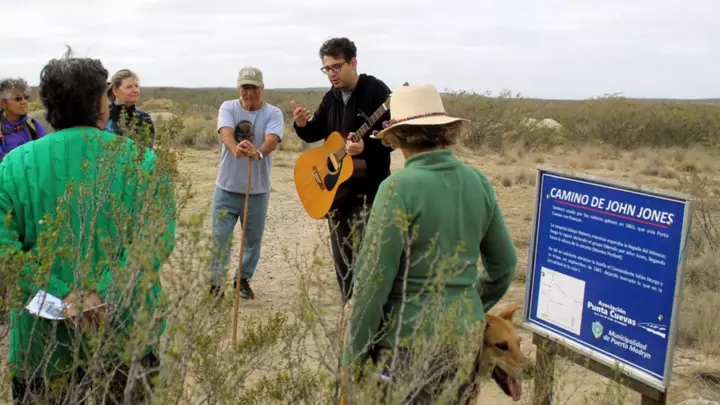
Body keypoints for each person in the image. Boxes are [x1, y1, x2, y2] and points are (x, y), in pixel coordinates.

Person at [0, 48, 176, 404]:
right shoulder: (142, 161)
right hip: (126, 336)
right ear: (100, 103)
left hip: (41, 348)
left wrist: (61, 297)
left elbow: (5, 250)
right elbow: (156, 240)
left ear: (49, 106)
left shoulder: (14, 165)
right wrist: (100, 294)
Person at [341, 84, 518, 404]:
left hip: (406, 341)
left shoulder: (397, 188)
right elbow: (504, 266)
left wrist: (354, 354)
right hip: (464, 337)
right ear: (446, 131)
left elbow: (373, 283)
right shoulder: (478, 182)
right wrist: (465, 305)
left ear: (397, 137)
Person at [291, 37, 394, 305]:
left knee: (369, 261)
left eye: (337, 67)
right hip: (337, 193)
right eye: (327, 69)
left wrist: (366, 148)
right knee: (344, 262)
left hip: (368, 193)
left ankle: (371, 312)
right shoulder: (332, 97)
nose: (332, 74)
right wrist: (301, 124)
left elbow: (393, 137)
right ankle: (349, 309)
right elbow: (316, 131)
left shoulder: (376, 91)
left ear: (353, 62)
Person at [208, 66, 284, 300]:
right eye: (244, 87)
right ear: (238, 88)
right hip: (227, 187)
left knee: (252, 240)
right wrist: (235, 148)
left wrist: (258, 153)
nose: (248, 93)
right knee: (220, 238)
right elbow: (225, 132)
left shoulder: (273, 113)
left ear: (262, 87)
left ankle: (242, 278)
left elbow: (271, 140)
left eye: (253, 87)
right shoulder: (228, 107)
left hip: (257, 190)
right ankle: (216, 284)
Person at [105, 69, 156, 149]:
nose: (135, 90)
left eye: (136, 86)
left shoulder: (145, 119)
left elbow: (148, 152)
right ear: (115, 91)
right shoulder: (103, 115)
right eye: (129, 87)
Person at [0, 77, 47, 161]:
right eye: (18, 99)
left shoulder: (33, 125)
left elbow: (45, 152)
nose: (24, 102)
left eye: (26, 97)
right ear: (3, 104)